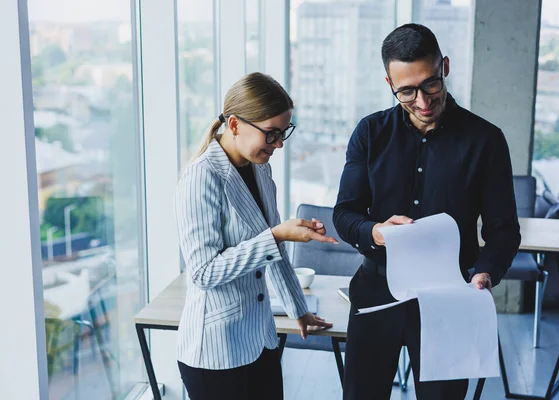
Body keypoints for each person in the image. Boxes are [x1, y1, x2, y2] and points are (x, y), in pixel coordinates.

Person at [333, 23, 521, 400]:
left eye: (430, 84)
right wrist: (375, 232)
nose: (422, 101)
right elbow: (346, 213)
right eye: (406, 91)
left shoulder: (486, 140)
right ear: (389, 82)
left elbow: (504, 229)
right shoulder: (370, 133)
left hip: (449, 298)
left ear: (444, 66)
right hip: (377, 290)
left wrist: (486, 270)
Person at [175, 72, 335, 400]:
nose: (278, 145)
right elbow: (204, 273)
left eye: (283, 133)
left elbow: (272, 252)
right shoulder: (201, 178)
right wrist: (274, 235)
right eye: (271, 134)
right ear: (234, 125)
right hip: (215, 353)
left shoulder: (260, 167)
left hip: (260, 341)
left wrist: (298, 309)